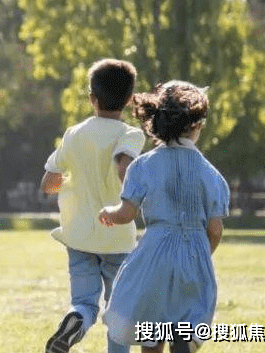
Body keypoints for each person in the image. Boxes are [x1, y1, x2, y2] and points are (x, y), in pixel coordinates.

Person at [99, 81, 229, 353]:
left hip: (155, 254)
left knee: (152, 327)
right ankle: (184, 341)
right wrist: (203, 252)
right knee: (185, 322)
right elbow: (215, 228)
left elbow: (127, 213)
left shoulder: (143, 166)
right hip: (194, 255)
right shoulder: (212, 174)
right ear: (197, 126)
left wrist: (109, 213)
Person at [41, 59, 146, 353]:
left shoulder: (74, 133)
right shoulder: (130, 134)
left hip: (78, 236)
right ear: (128, 100)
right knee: (119, 308)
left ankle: (76, 319)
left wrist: (74, 179)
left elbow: (48, 182)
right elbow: (124, 165)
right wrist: (135, 193)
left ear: (92, 99)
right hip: (117, 237)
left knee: (85, 301)